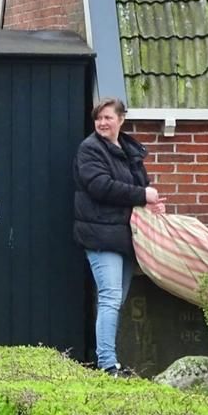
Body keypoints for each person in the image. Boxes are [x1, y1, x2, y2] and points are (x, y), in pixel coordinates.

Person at [73, 97, 164, 377]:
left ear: (121, 120)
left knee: (117, 300)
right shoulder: (89, 149)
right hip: (100, 235)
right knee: (111, 298)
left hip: (125, 236)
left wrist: (151, 202)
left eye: (108, 118)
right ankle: (107, 365)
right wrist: (141, 195)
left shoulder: (128, 148)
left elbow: (140, 185)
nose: (102, 123)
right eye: (98, 118)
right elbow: (100, 186)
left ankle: (111, 361)